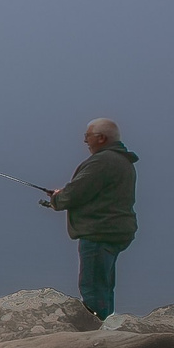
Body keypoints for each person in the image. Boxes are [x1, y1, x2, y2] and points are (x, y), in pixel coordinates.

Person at [42, 119, 139, 323]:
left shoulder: (102, 161)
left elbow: (76, 192)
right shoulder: (123, 162)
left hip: (99, 232)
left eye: (88, 136)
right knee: (104, 286)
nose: (85, 141)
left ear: (101, 138)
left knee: (93, 287)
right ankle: (107, 325)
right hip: (116, 231)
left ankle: (96, 332)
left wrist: (57, 199)